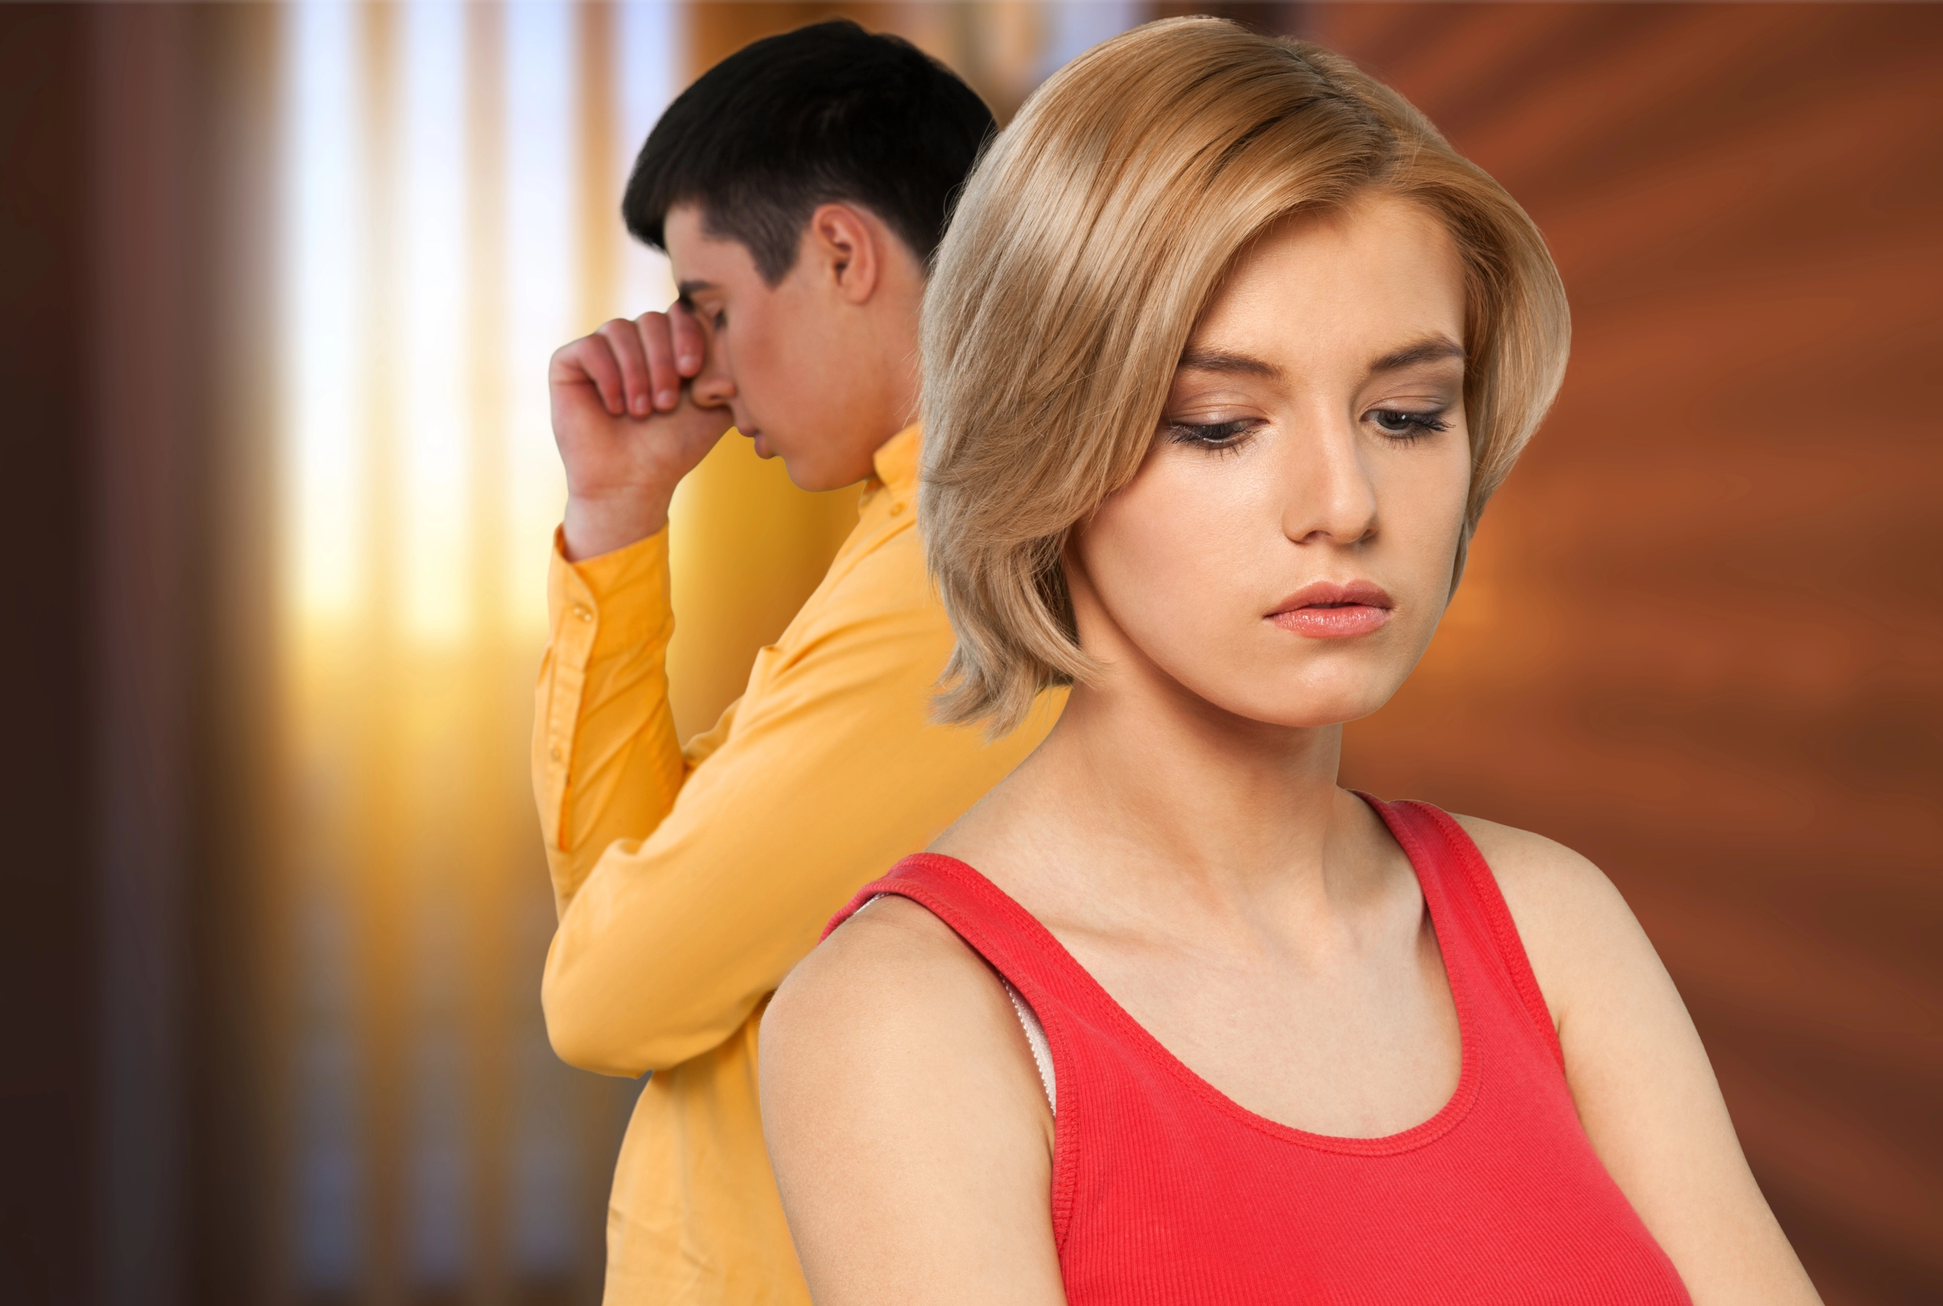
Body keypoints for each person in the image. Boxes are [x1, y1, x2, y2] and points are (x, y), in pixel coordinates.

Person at [760, 20, 1824, 1305]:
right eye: (1219, 425)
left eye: (1405, 415)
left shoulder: (1549, 923)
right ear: (1045, 441)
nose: (1343, 501)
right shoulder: (908, 1017)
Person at [532, 20, 1055, 1304]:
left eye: (710, 308)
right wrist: (615, 520)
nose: (697, 366)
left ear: (838, 252)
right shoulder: (906, 541)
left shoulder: (957, 576)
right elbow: (626, 882)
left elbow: (605, 1001)